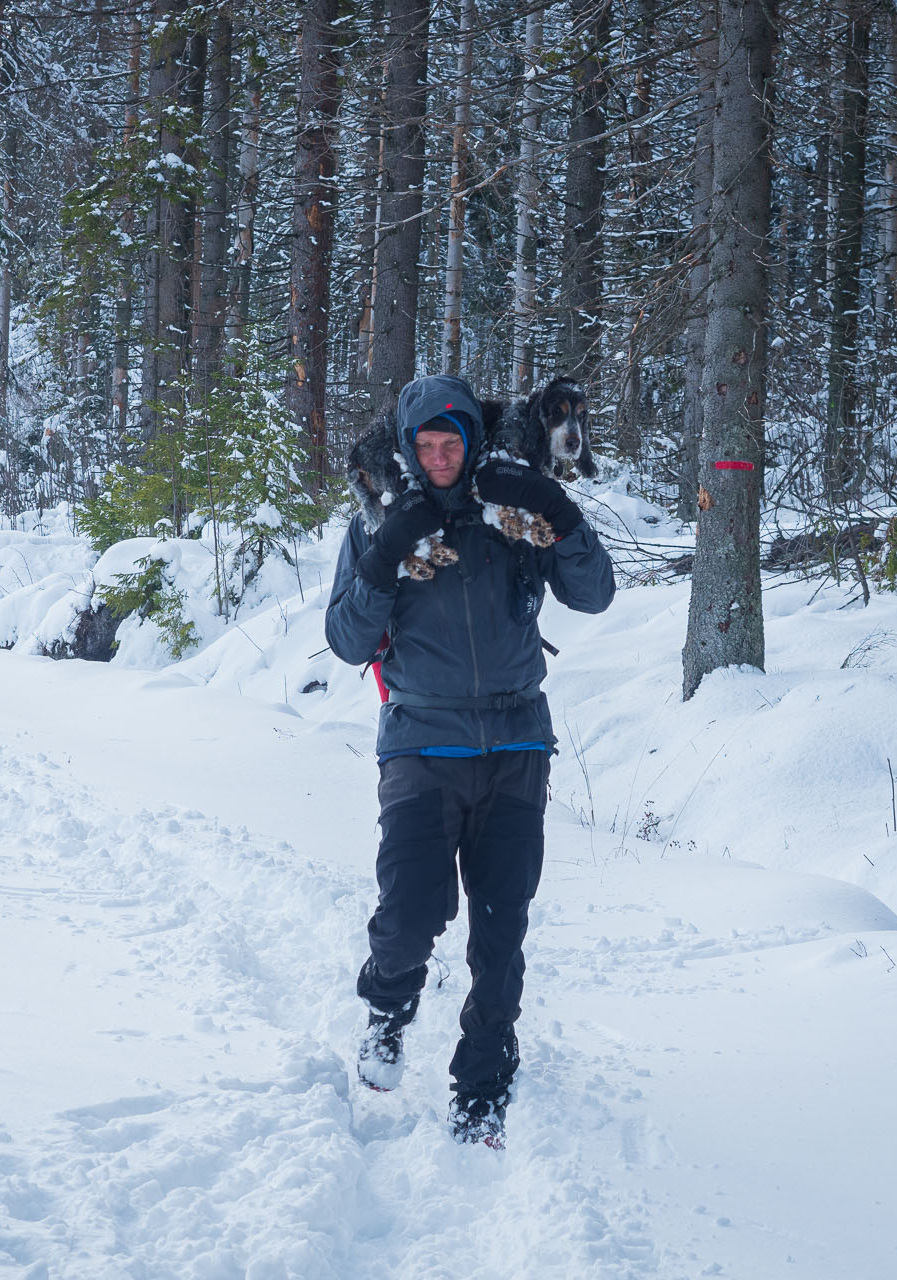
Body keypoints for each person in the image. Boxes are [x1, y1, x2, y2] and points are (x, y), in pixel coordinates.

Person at [324, 373, 616, 1147]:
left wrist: (558, 510)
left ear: (474, 440)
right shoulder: (383, 522)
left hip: (517, 743)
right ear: (408, 449)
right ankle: (388, 1007)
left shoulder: (510, 512)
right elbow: (348, 641)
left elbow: (594, 595)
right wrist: (387, 553)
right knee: (411, 913)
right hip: (421, 742)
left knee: (500, 931)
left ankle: (483, 1079)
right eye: (426, 445)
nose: (442, 457)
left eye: (453, 442)